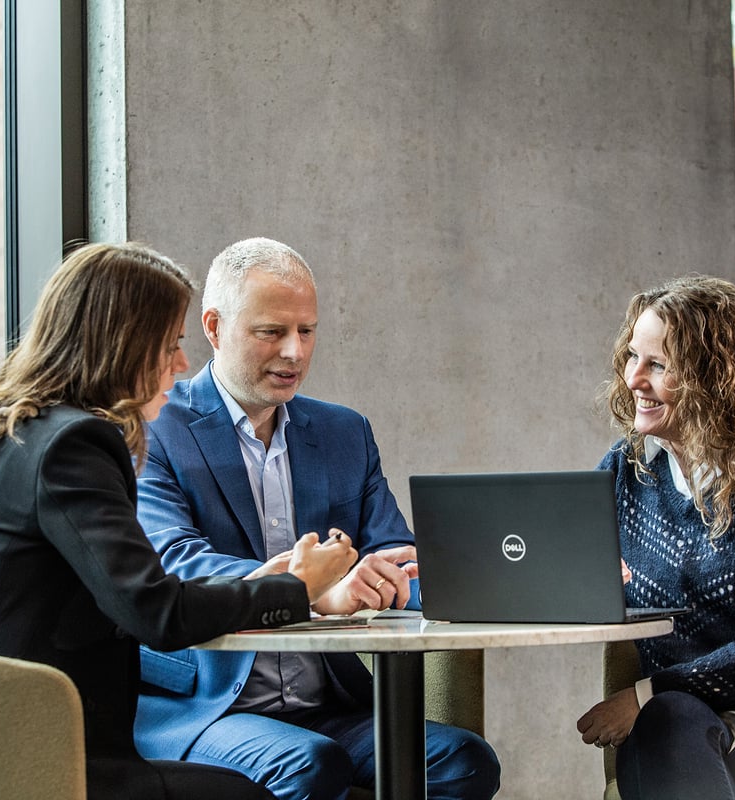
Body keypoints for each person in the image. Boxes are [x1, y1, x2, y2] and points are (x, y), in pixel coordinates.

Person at [0, 242, 357, 800]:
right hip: (59, 754)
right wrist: (296, 588)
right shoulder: (75, 446)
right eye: (169, 344)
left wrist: (268, 584)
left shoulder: (15, 430)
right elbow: (155, 611)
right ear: (119, 344)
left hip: (16, 739)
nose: (181, 364)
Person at [133, 237, 501, 800]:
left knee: (463, 761)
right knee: (310, 766)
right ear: (213, 326)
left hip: (326, 702)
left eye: (306, 331)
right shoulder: (157, 426)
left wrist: (405, 582)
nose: (295, 352)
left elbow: (397, 557)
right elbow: (175, 561)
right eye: (271, 332)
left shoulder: (342, 433)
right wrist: (309, 588)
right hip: (205, 705)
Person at [576, 275, 735, 800]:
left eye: (658, 365)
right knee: (668, 724)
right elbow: (568, 581)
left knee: (663, 718)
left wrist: (646, 692)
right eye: (631, 357)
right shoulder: (623, 473)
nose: (633, 379)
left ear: (717, 377)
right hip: (684, 721)